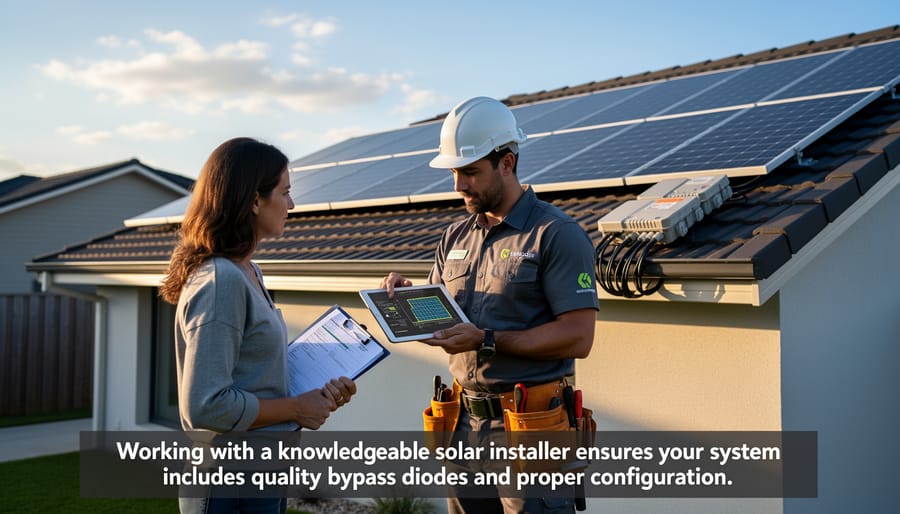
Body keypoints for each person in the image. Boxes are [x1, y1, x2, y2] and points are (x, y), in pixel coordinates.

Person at [381, 97, 599, 514]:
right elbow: (442, 325)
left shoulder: (556, 234)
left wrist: (487, 340)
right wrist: (407, 298)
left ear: (507, 164)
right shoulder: (454, 238)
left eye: (470, 172)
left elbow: (579, 336)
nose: (458, 185)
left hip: (529, 427)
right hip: (462, 424)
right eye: (454, 173)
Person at [160, 137, 357, 514]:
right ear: (254, 201)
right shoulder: (221, 282)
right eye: (284, 193)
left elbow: (252, 374)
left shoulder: (249, 272)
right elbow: (206, 405)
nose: (292, 204)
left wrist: (317, 393)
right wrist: (296, 408)